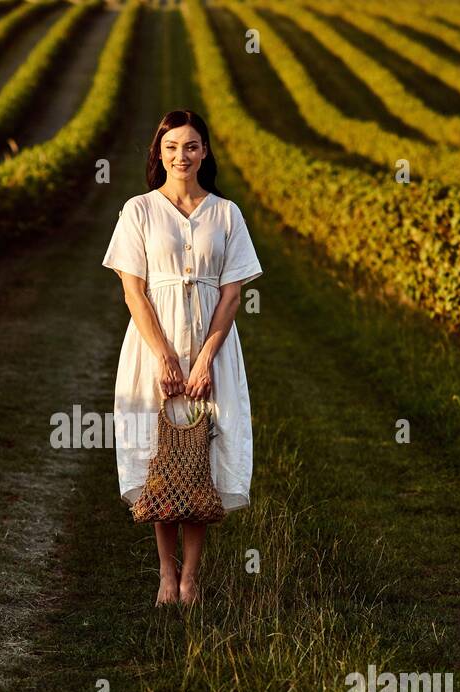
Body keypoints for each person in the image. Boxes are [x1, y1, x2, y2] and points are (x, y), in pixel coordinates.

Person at [100, 109, 263, 606]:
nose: (182, 156)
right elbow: (134, 291)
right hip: (155, 345)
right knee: (162, 457)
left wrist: (205, 358)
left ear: (205, 152)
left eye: (191, 146)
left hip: (211, 349)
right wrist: (166, 356)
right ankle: (165, 575)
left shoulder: (226, 213)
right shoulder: (139, 210)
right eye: (171, 147)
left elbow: (232, 295)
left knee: (202, 456)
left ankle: (190, 578)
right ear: (159, 152)